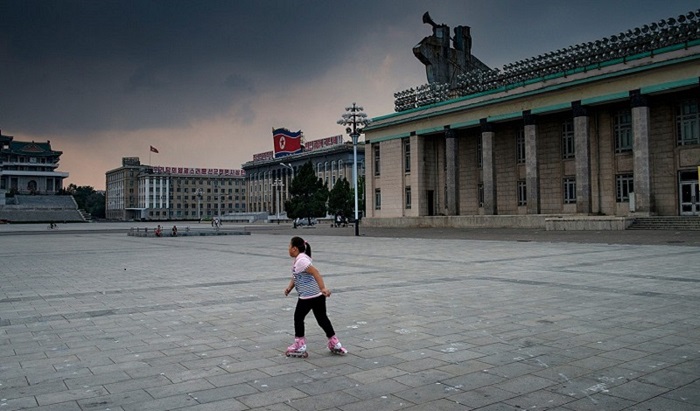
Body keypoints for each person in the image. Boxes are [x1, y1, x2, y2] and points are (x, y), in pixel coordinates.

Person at [284, 236, 347, 357]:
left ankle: (300, 344)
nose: (288, 249)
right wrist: (289, 288)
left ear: (295, 249)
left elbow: (315, 272)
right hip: (317, 296)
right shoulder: (300, 259)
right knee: (322, 318)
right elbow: (296, 276)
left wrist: (323, 288)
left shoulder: (302, 260)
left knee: (298, 317)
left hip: (308, 296)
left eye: (289, 246)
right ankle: (334, 342)